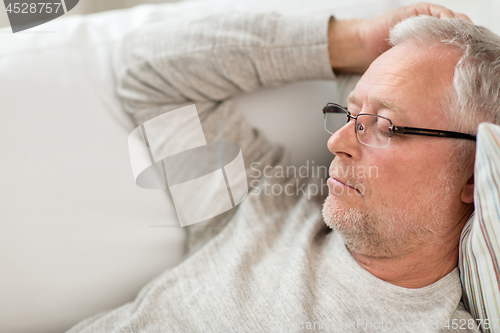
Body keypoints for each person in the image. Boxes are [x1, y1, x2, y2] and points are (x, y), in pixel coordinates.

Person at [69, 2, 500, 332]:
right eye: (348, 115)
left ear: (475, 171)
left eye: (383, 125)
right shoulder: (258, 207)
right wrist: (354, 41)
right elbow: (146, 71)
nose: (336, 142)